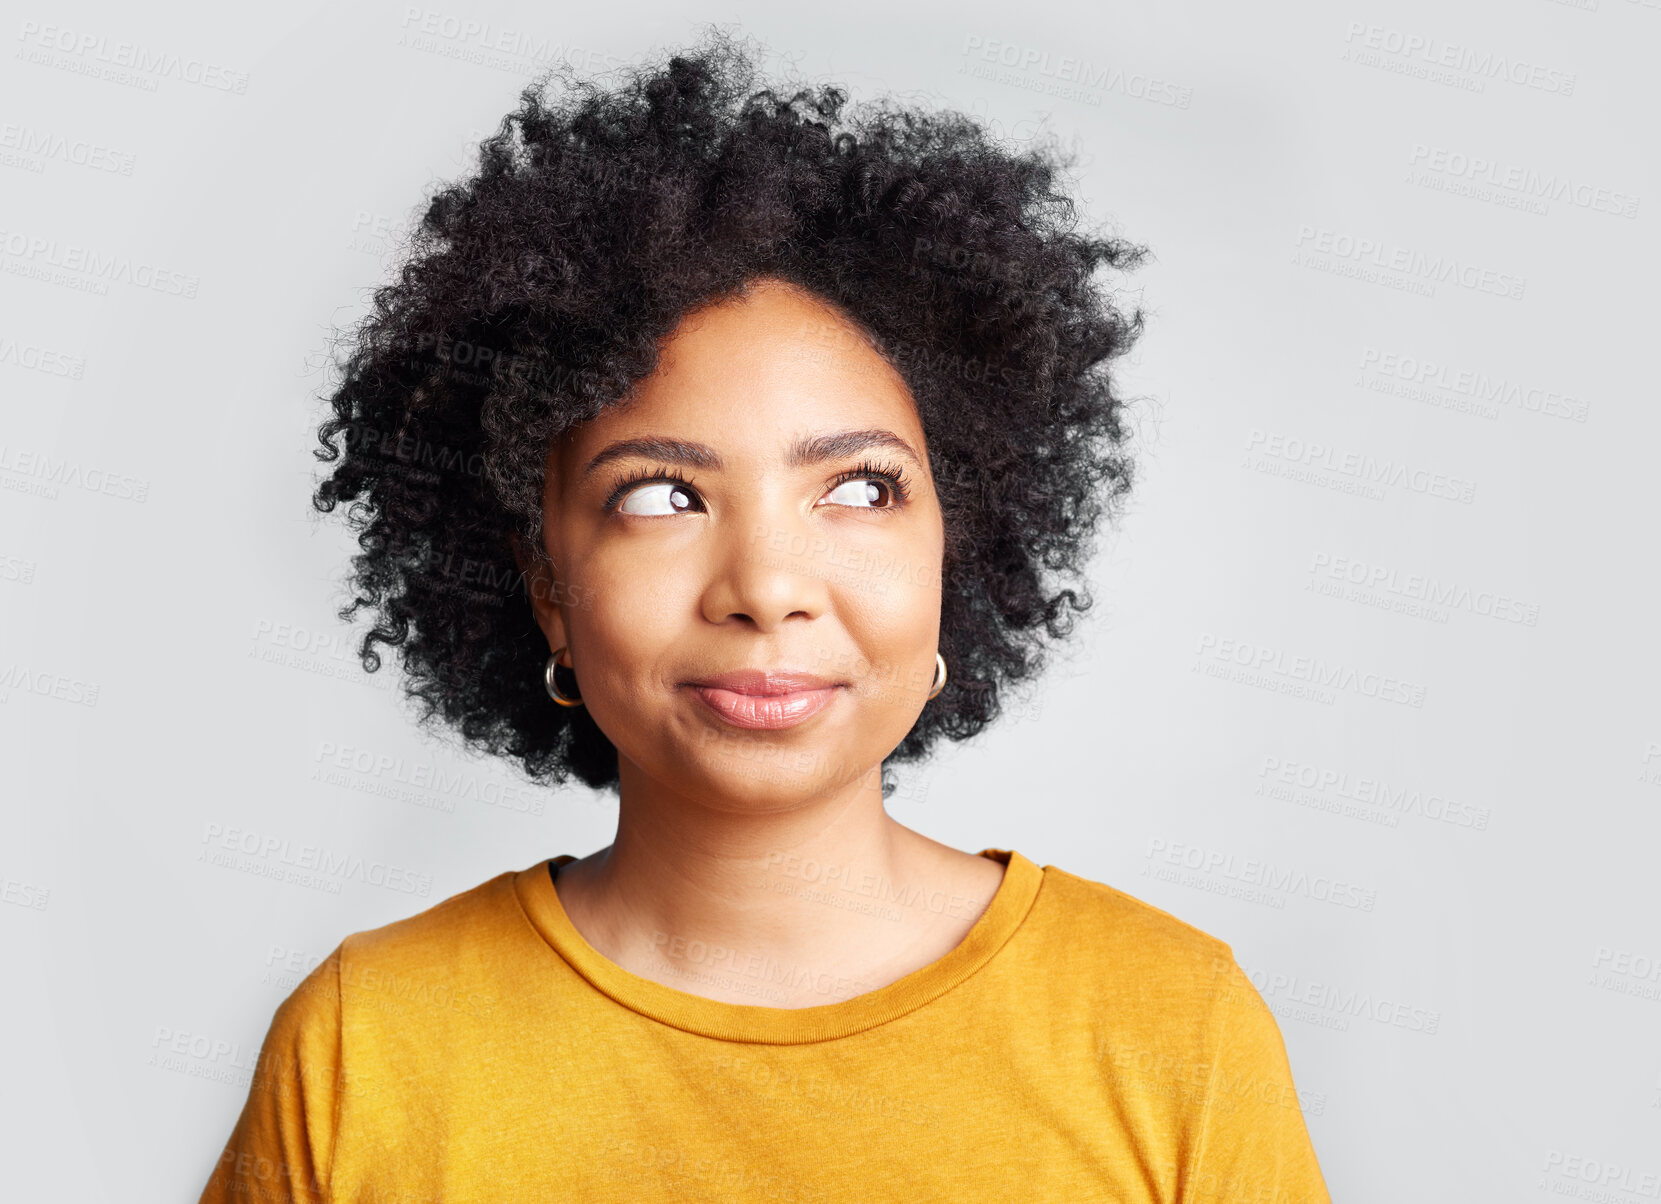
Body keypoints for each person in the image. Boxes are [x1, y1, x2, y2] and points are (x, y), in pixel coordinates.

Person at [198, 28, 1331, 1203]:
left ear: (962, 543)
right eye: (660, 495)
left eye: (857, 487)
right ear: (544, 584)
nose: (767, 585)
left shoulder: (1169, 1026)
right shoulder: (365, 1045)